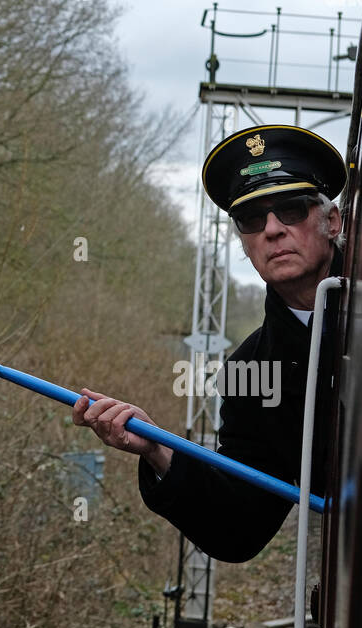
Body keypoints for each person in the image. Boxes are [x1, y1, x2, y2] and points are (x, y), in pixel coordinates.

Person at [72, 125, 347, 562]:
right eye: (252, 220)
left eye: (291, 211)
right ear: (243, 239)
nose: (272, 230)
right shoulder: (251, 372)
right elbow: (238, 528)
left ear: (331, 221)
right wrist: (159, 449)